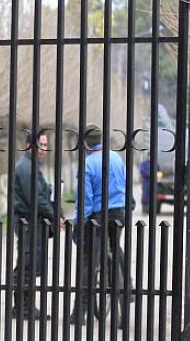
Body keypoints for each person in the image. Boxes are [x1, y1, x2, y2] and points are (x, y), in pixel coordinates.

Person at [69, 124, 133, 326]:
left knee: (90, 261)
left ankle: (80, 313)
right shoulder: (116, 158)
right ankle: (125, 302)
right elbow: (125, 184)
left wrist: (79, 222)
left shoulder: (88, 164)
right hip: (119, 212)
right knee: (116, 253)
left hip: (98, 215)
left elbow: (85, 200)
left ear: (86, 143)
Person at [11, 132, 60, 320]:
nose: (44, 149)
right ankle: (23, 307)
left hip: (33, 220)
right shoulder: (26, 167)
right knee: (27, 263)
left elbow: (42, 192)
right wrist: (55, 215)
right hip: (27, 221)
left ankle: (24, 306)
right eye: (41, 145)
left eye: (46, 145)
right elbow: (36, 198)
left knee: (30, 263)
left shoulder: (31, 166)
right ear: (29, 145)